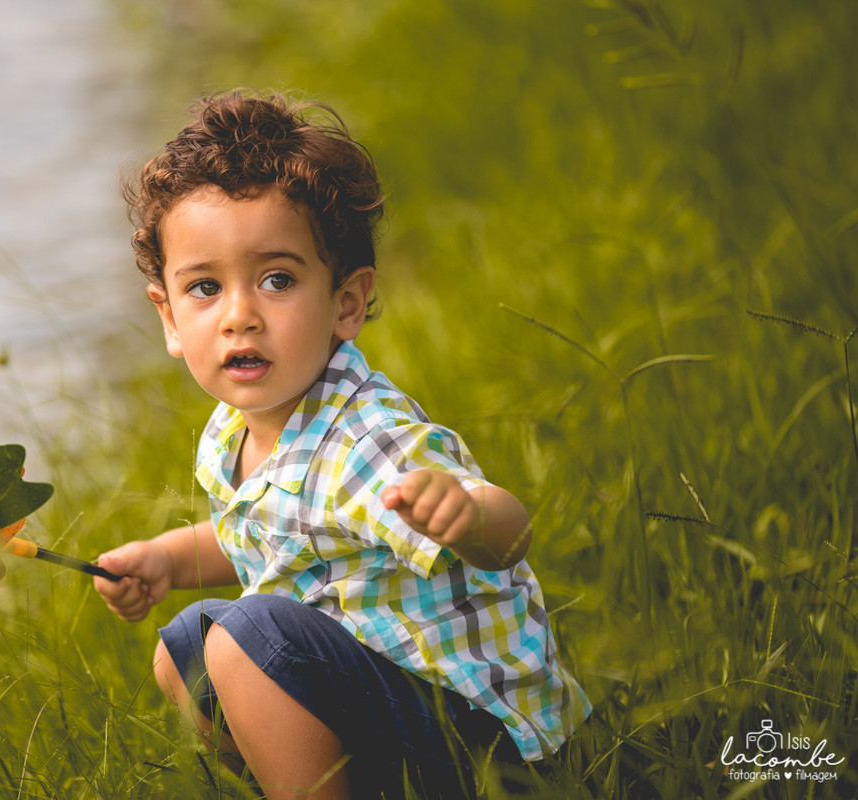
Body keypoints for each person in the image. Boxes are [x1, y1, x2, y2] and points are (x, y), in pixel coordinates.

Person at [93, 89, 590, 799]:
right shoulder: (234, 429)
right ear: (169, 318)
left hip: (486, 744)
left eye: (277, 280)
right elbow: (265, 537)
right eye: (205, 288)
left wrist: (469, 515)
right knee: (185, 650)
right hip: (388, 706)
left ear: (347, 302)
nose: (240, 316)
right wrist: (169, 558)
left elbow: (510, 532)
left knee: (245, 639)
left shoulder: (366, 438)